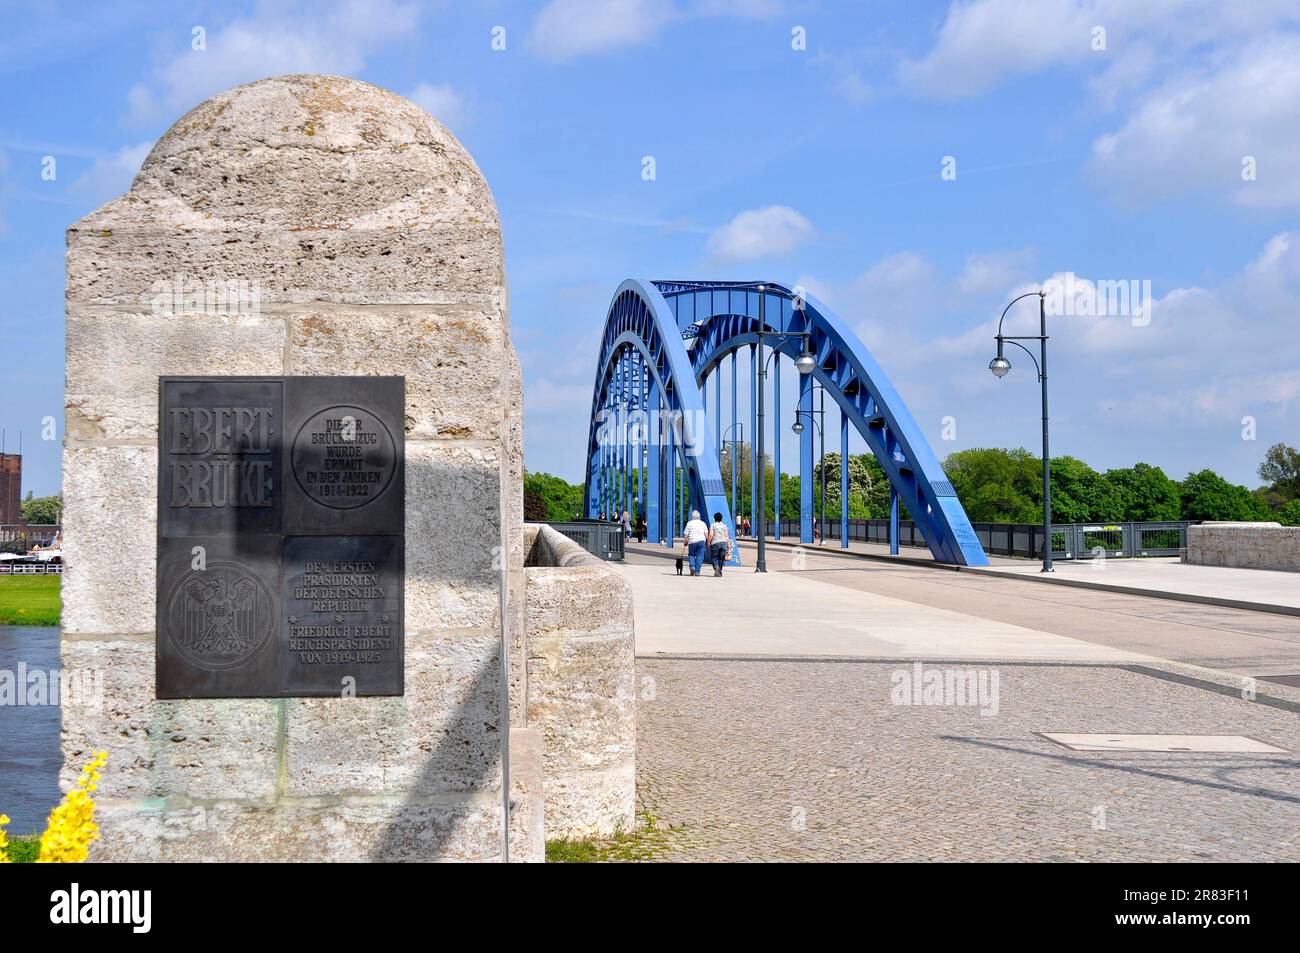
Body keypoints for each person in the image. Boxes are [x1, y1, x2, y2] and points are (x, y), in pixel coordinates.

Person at [682, 509, 709, 576]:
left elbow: (686, 534)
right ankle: (697, 571)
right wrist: (707, 541)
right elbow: (706, 533)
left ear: (692, 516)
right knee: (700, 556)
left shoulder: (689, 523)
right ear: (699, 516)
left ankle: (692, 567)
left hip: (692, 541)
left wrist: (685, 541)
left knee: (691, 554)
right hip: (701, 541)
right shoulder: (703, 523)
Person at [707, 512, 731, 576]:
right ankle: (719, 572)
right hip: (724, 543)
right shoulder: (724, 525)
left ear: (714, 518)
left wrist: (708, 542)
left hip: (715, 543)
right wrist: (728, 545)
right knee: (721, 558)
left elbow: (711, 535)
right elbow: (726, 536)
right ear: (721, 518)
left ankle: (716, 567)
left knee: (714, 557)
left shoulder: (713, 525)